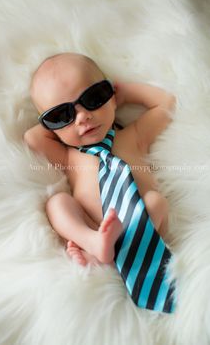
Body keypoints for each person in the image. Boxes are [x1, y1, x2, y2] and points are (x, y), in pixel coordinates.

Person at [24, 52, 176, 266]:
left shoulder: (134, 136)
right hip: (94, 226)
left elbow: (166, 103)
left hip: (140, 225)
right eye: (61, 115)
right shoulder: (69, 157)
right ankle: (93, 243)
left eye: (94, 98)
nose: (82, 116)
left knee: (156, 202)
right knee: (57, 203)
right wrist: (57, 127)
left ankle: (116, 249)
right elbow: (32, 138)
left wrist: (123, 94)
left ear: (111, 95)